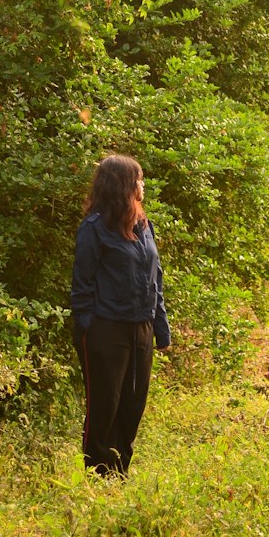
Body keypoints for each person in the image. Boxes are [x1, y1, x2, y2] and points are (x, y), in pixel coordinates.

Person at [70, 153, 170, 476]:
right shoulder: (94, 229)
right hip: (105, 331)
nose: (143, 184)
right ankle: (98, 477)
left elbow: (156, 279)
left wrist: (160, 326)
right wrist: (87, 328)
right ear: (122, 184)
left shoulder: (144, 225)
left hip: (141, 329)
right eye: (138, 179)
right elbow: (81, 285)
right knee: (105, 407)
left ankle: (119, 473)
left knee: (133, 405)